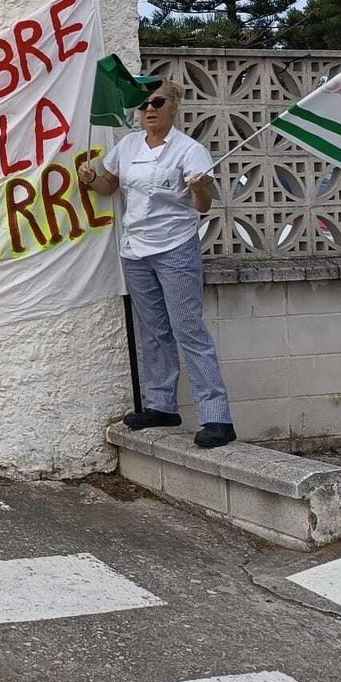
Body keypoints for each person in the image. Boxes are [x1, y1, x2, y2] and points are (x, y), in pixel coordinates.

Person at [77, 78, 235, 449]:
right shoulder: (128, 146)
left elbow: (203, 206)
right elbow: (110, 186)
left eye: (158, 103)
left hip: (175, 248)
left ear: (173, 107)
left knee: (188, 329)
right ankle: (161, 405)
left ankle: (217, 417)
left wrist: (198, 188)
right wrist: (91, 179)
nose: (149, 110)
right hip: (135, 250)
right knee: (153, 330)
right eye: (144, 104)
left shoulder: (190, 151)